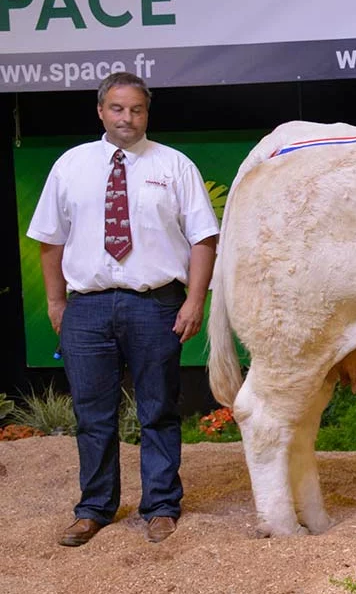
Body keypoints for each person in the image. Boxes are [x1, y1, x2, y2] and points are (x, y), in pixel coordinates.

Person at [26, 72, 220, 546]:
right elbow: (50, 240)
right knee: (92, 416)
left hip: (155, 305)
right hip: (87, 309)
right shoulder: (70, 166)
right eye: (117, 109)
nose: (127, 118)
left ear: (146, 113)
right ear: (100, 111)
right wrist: (56, 302)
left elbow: (204, 239)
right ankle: (94, 508)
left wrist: (195, 300)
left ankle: (160, 506)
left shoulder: (174, 165)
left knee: (158, 410)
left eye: (136, 109)